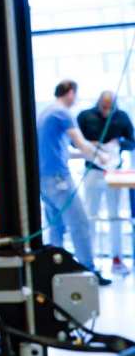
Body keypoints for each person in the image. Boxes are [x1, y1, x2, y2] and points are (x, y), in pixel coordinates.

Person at [36, 79, 109, 285]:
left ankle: (52, 272)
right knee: (80, 223)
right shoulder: (62, 113)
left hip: (45, 179)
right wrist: (101, 157)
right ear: (70, 92)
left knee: (56, 226)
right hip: (58, 179)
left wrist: (88, 154)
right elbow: (81, 143)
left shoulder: (47, 112)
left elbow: (63, 150)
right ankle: (89, 270)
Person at [77, 90, 135, 276]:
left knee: (115, 215)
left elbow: (132, 141)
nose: (107, 111)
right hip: (93, 171)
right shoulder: (85, 117)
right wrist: (92, 144)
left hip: (115, 172)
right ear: (99, 103)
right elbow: (75, 142)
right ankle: (89, 259)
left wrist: (118, 143)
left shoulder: (122, 117)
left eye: (110, 107)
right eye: (104, 107)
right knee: (91, 215)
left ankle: (117, 258)